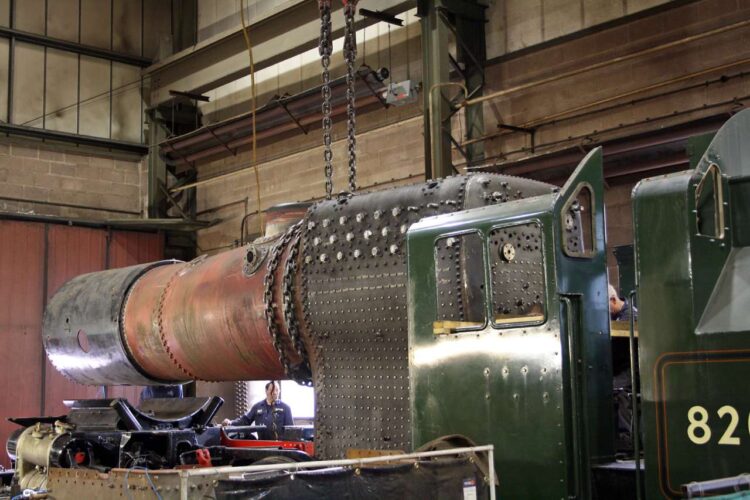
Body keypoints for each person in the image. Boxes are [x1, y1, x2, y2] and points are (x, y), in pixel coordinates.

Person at [222, 381, 293, 440]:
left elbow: (290, 430)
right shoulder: (257, 406)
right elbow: (245, 421)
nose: (275, 392)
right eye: (272, 390)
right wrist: (230, 423)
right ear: (266, 391)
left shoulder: (286, 408)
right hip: (261, 444)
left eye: (277, 390)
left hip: (279, 446)